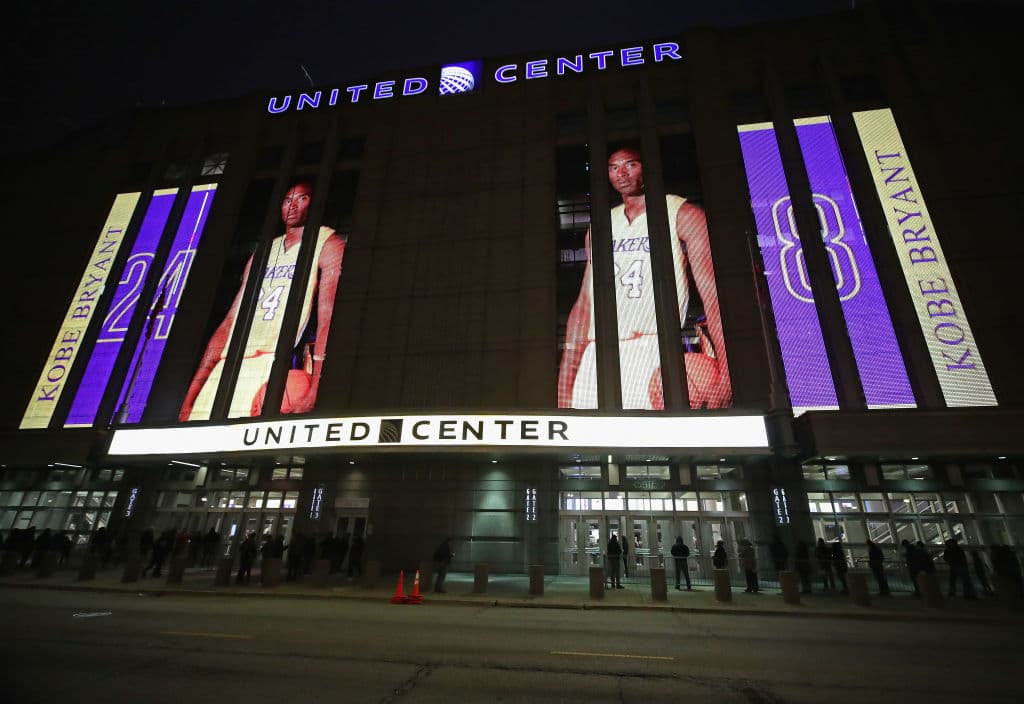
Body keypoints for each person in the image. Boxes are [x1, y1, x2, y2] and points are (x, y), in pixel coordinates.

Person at [557, 146, 731, 410]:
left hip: (653, 349)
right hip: (597, 354)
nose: (621, 174)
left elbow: (713, 297)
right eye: (614, 168)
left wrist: (728, 374)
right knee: (588, 449)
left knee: (656, 447)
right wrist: (565, 380)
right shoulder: (601, 226)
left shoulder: (683, 214)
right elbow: (584, 305)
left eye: (631, 165)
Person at [179, 182, 346, 421]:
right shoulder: (265, 252)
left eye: (302, 199)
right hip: (228, 362)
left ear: (315, 204)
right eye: (288, 199)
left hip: (270, 363)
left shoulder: (327, 242)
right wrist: (191, 393)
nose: (292, 206)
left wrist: (316, 386)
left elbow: (327, 319)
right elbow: (229, 322)